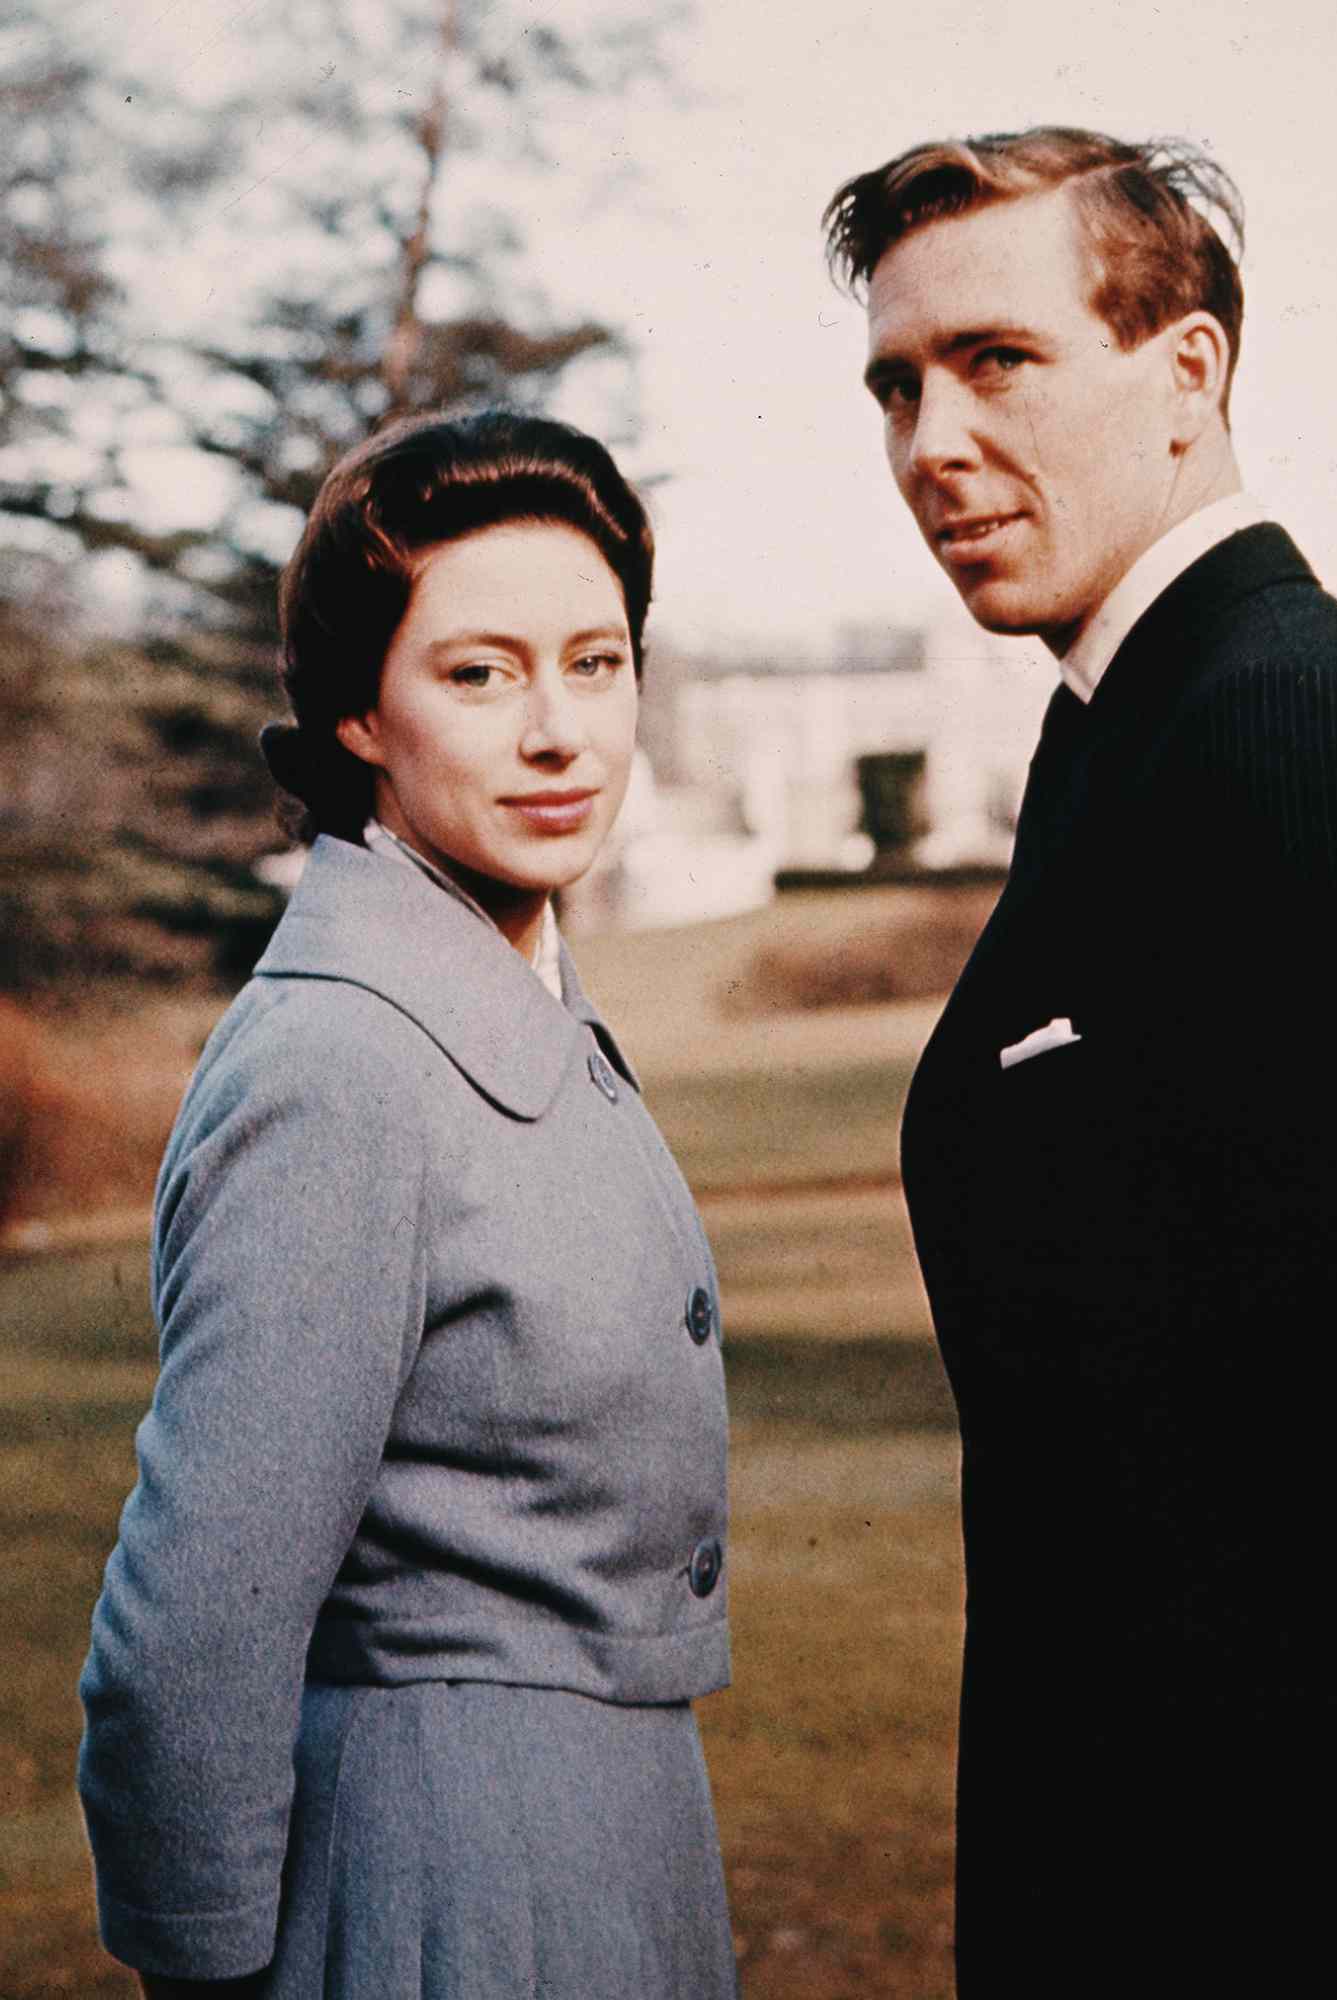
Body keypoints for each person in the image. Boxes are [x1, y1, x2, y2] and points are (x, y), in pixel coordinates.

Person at [823, 128, 1337, 1996]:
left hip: (1310, 1888)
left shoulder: (1281, 719)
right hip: (1167, 1855)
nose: (929, 446)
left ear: (1185, 369)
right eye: (895, 385)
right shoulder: (1126, 726)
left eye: (996, 362)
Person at [78, 409, 737, 2000]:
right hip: (440, 1889)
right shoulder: (341, 1064)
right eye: (480, 673)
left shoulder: (516, 1001)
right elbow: (187, 1642)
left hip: (607, 1860)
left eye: (595, 663)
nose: (559, 731)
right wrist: (219, 1971)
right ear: (359, 716)